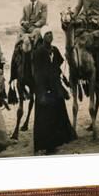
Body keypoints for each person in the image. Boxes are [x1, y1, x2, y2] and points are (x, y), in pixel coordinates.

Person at [32, 26, 76, 154]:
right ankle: (47, 146)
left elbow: (57, 67)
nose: (50, 36)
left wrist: (65, 82)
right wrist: (42, 93)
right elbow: (37, 73)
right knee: (45, 117)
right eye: (47, 34)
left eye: (51, 34)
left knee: (57, 114)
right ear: (43, 37)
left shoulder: (55, 50)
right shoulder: (39, 52)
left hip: (56, 86)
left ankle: (57, 142)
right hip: (44, 89)